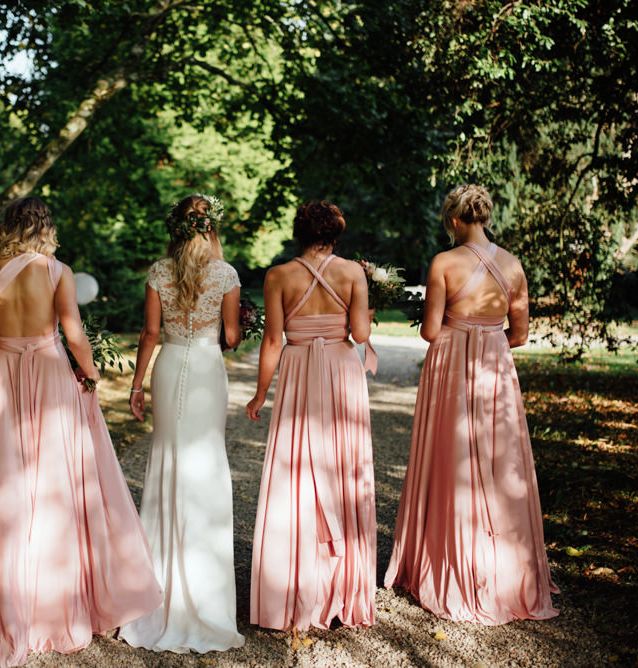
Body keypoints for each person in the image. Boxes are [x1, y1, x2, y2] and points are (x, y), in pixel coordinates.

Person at [384, 184, 559, 624]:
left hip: (452, 365)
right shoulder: (513, 265)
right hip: (495, 367)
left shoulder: (444, 262)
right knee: (501, 459)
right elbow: (519, 334)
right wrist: (488, 336)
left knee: (454, 456)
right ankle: (504, 567)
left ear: (455, 220)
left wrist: (455, 327)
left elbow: (428, 331)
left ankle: (451, 563)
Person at [0, 197, 162, 668]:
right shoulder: (56, 271)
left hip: (5, 378)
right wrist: (89, 375)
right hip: (48, 378)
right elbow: (74, 335)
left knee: (10, 482)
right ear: (47, 228)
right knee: (54, 482)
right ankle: (54, 602)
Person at [119, 194, 245, 653]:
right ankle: (205, 594)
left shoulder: (158, 271)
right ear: (211, 226)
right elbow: (231, 336)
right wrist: (238, 324)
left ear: (176, 228)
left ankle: (158, 591)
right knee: (206, 463)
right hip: (208, 369)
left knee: (167, 462)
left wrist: (136, 385)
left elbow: (150, 333)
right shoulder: (226, 274)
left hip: (169, 366)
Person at [247, 200, 376, 632]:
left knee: (297, 470)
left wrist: (260, 394)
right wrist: (369, 316)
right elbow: (359, 335)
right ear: (336, 233)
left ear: (298, 232)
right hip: (341, 372)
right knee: (343, 467)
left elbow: (271, 341)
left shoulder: (279, 276)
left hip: (300, 371)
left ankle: (294, 581)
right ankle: (342, 584)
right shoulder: (353, 273)